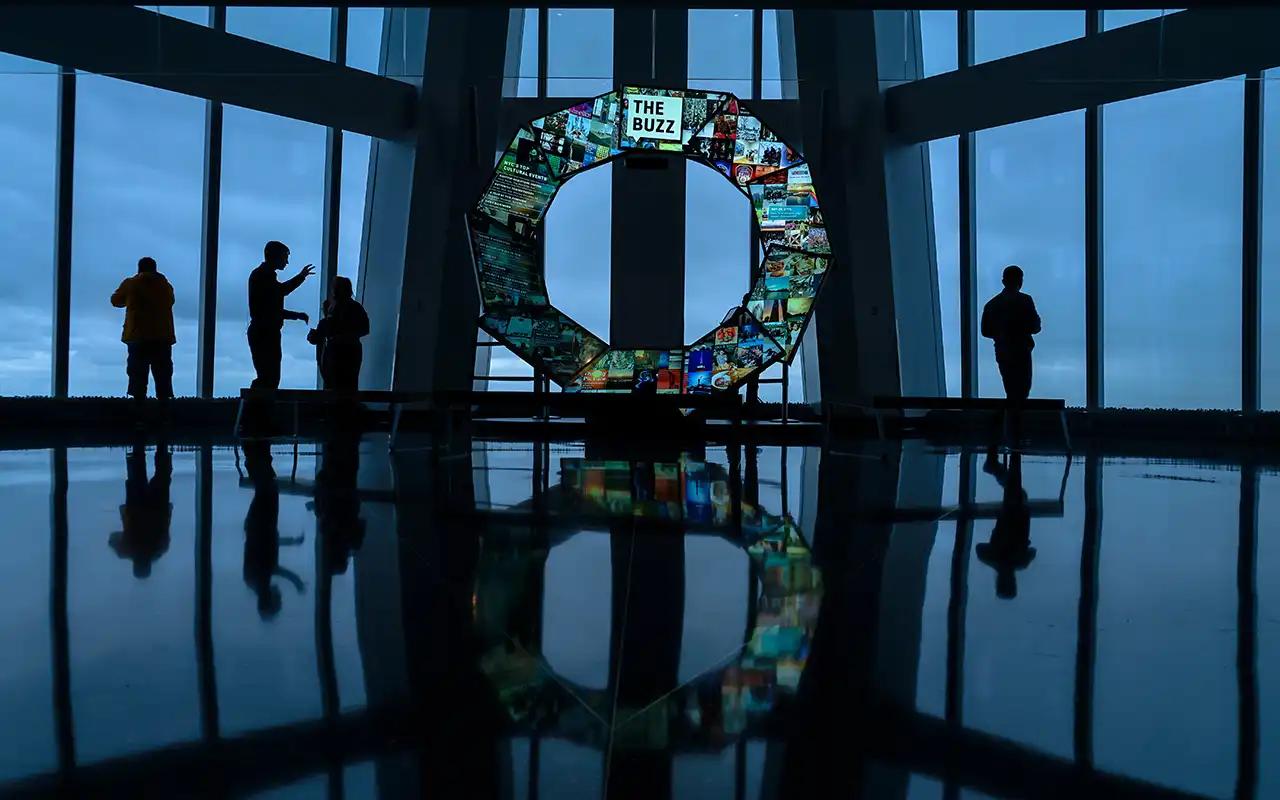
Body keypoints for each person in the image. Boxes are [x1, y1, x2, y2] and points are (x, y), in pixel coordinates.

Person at [244, 241, 314, 434]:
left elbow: (271, 307)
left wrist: (296, 315)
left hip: (263, 332)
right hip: (266, 333)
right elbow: (279, 296)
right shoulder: (264, 277)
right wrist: (300, 278)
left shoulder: (261, 276)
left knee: (266, 377)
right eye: (285, 257)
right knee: (269, 378)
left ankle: (256, 420)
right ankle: (257, 420)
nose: (286, 262)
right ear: (275, 257)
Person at [241, 439, 306, 620]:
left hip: (261, 524)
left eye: (278, 600)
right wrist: (292, 542)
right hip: (258, 526)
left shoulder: (259, 579)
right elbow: (268, 546)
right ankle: (257, 446)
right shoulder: (255, 581)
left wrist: (297, 582)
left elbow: (269, 553)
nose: (280, 597)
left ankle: (256, 446)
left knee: (267, 486)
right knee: (266, 486)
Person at [110, 257, 176, 427]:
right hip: (162, 337)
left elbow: (115, 300)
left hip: (138, 337)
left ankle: (139, 417)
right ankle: (165, 417)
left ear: (139, 268)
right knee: (163, 377)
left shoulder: (131, 284)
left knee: (138, 377)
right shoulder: (166, 286)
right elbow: (171, 301)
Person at [980, 265, 1041, 445]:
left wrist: (1001, 334)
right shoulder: (1025, 301)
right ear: (1020, 281)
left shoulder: (992, 304)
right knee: (1021, 392)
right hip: (1021, 350)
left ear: (1003, 281)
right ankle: (1011, 431)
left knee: (1012, 390)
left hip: (1003, 350)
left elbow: (985, 331)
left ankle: (1004, 428)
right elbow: (1035, 326)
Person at [108, 440, 173, 579]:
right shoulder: (128, 550)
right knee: (138, 472)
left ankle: (160, 441)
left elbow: (166, 524)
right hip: (138, 507)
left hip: (156, 507)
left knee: (160, 474)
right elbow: (112, 539)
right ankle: (142, 438)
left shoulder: (160, 549)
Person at [975, 451, 1036, 600]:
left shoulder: (1020, 562)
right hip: (1008, 517)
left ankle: (995, 466)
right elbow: (979, 549)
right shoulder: (991, 558)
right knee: (1016, 492)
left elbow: (1032, 551)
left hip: (1019, 516)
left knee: (1017, 493)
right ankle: (995, 467)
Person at [307, 276, 369, 393]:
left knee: (333, 387)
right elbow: (365, 329)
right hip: (353, 352)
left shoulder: (335, 309)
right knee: (350, 386)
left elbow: (322, 332)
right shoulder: (356, 307)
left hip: (335, 353)